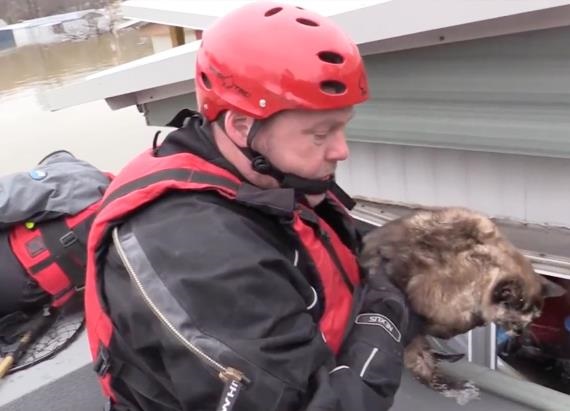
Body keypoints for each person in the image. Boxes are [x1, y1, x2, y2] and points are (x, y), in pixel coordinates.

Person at [85, 2, 418, 410]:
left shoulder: (266, 175)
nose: (341, 150)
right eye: (320, 133)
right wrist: (387, 307)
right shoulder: (193, 250)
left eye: (343, 127)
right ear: (241, 126)